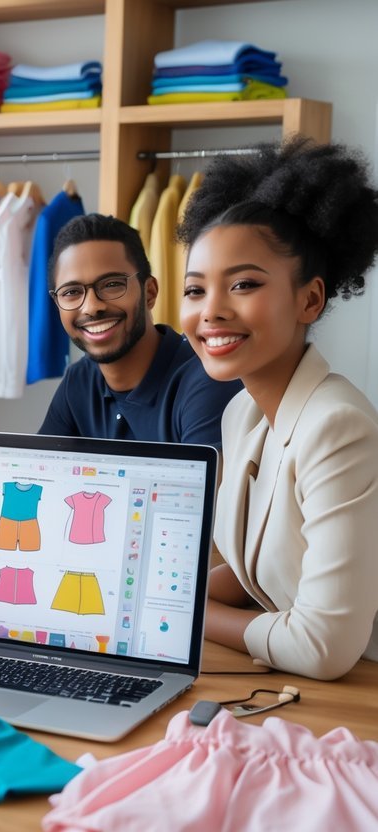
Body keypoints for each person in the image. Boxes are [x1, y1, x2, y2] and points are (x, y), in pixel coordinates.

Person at [178, 138, 378, 680]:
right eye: (195, 290)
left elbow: (323, 646)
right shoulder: (242, 413)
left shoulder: (339, 428)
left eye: (243, 284)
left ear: (309, 300)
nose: (212, 311)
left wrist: (185, 614)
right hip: (287, 684)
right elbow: (257, 574)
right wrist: (162, 592)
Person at [39, 213, 241, 444]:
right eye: (71, 292)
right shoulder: (79, 380)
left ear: (150, 293)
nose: (92, 307)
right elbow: (37, 472)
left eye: (112, 284)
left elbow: (206, 481)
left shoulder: (207, 379)